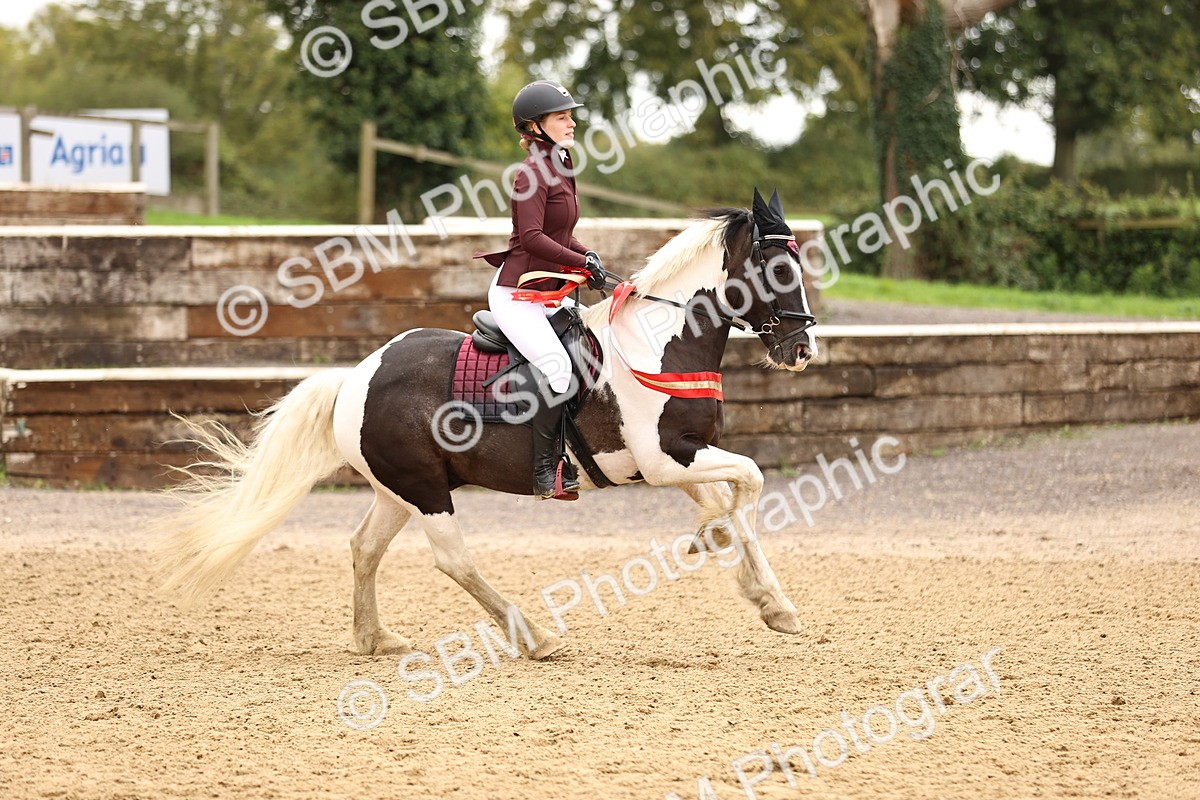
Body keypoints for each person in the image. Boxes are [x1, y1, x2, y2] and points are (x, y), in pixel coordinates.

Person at [474, 80, 607, 500]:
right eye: (561, 117)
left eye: (570, 115)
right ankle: (546, 470)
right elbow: (530, 237)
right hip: (517, 295)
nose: (571, 122)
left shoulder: (562, 164)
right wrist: (576, 262)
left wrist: (589, 257)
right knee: (558, 367)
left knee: (590, 348)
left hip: (546, 290)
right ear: (535, 126)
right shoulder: (529, 173)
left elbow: (563, 233)